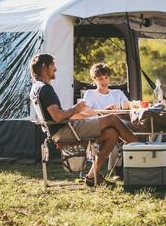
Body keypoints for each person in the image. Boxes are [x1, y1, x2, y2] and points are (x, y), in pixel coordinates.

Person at [29, 53, 138, 187]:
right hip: (64, 130)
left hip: (62, 129)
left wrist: (75, 111)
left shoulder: (37, 87)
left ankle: (92, 176)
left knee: (112, 134)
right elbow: (57, 117)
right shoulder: (45, 89)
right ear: (44, 67)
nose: (55, 69)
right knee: (112, 118)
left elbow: (55, 115)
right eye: (53, 65)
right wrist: (76, 109)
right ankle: (141, 149)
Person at [83, 63, 130, 174]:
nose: (104, 81)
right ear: (94, 80)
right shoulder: (90, 94)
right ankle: (117, 170)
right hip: (100, 128)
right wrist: (105, 111)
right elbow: (86, 113)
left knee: (141, 127)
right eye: (100, 79)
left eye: (106, 78)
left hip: (121, 125)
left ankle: (144, 157)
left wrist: (120, 109)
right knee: (113, 132)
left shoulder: (117, 93)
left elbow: (128, 107)